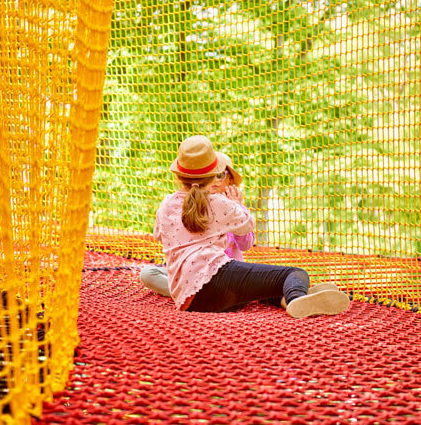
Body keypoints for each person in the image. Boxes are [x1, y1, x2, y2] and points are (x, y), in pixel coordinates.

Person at [148, 135, 349, 318]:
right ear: (213, 176)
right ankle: (296, 296)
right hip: (216, 281)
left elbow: (158, 235)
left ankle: (292, 297)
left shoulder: (167, 203)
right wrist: (237, 204)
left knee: (262, 287)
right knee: (294, 273)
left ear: (179, 176)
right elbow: (247, 226)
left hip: (189, 300)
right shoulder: (218, 203)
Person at [140, 152, 255, 296]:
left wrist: (238, 206)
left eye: (220, 175)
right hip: (193, 273)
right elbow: (164, 236)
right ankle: (190, 292)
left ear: (230, 180)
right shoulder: (190, 204)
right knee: (147, 273)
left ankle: (190, 292)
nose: (215, 180)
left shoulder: (231, 209)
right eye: (211, 175)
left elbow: (246, 244)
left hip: (225, 274)